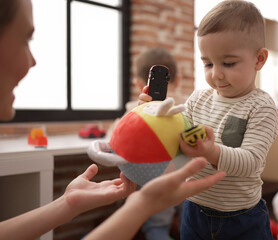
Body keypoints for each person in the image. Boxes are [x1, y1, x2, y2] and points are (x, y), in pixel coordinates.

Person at [0, 0, 225, 239]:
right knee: (160, 224)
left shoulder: (180, 109)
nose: (33, 61)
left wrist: (68, 203)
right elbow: (119, 138)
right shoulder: (138, 110)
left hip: (176, 175)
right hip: (157, 177)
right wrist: (142, 204)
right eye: (26, 39)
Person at [179, 1, 278, 239]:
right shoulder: (196, 100)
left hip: (241, 218)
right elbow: (174, 139)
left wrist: (212, 152)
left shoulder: (260, 106)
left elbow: (251, 162)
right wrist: (150, 114)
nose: (216, 74)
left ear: (259, 59)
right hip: (193, 210)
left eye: (228, 63)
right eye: (208, 63)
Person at [132, 47, 186, 240]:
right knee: (191, 222)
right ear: (177, 80)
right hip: (187, 177)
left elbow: (118, 139)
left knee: (157, 227)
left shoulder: (137, 109)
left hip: (156, 181)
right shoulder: (186, 106)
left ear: (140, 84)